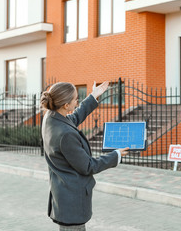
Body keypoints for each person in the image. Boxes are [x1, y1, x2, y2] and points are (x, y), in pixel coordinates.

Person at [40, 81, 129, 230]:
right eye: (75, 99)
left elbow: (73, 118)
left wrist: (93, 96)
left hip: (63, 198)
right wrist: (116, 155)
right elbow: (88, 166)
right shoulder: (65, 134)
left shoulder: (51, 118)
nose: (77, 102)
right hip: (72, 201)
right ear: (65, 105)